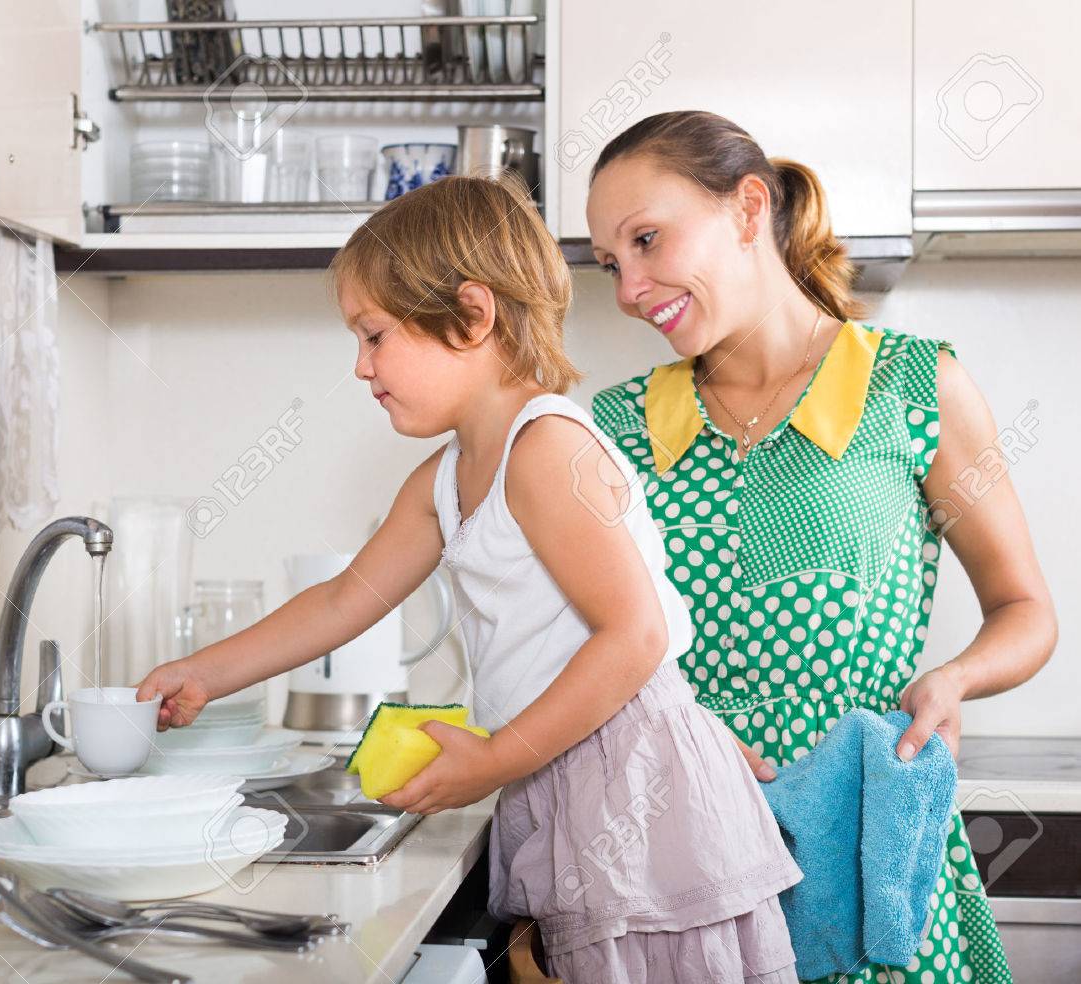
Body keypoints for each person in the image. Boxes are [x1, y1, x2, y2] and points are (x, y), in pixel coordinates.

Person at [138, 174, 803, 982]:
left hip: (633, 776)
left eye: (375, 335)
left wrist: (493, 760)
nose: (360, 365)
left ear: (473, 315)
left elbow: (636, 636)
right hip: (559, 761)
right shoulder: (445, 479)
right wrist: (205, 671)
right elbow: (348, 599)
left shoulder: (547, 449)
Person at [585, 110, 1057, 983]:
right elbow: (584, 655)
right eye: (613, 262)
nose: (627, 288)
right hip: (682, 858)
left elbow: (1025, 608)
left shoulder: (916, 388)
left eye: (647, 240)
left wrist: (954, 678)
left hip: (867, 842)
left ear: (746, 207)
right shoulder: (614, 429)